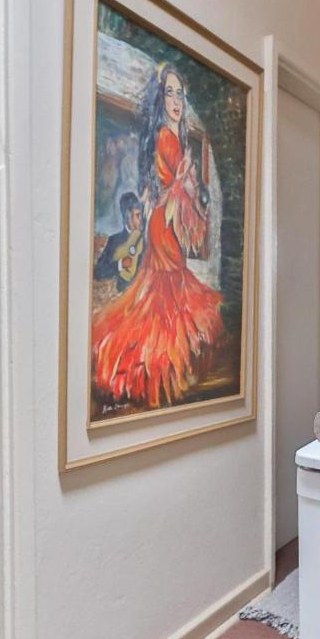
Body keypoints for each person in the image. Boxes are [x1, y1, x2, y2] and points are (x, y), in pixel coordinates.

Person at [90, 62, 223, 411]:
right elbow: (177, 191)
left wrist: (185, 187)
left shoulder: (171, 137)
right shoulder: (167, 137)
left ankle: (162, 367)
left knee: (164, 295)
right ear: (160, 99)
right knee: (165, 296)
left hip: (165, 224)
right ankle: (155, 368)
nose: (176, 101)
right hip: (165, 226)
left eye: (180, 94)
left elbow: (170, 190)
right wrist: (187, 186)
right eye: (169, 93)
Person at [94, 192, 145, 291]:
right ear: (128, 215)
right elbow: (98, 271)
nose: (141, 219)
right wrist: (120, 264)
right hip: (122, 292)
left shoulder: (145, 240)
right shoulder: (114, 241)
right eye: (138, 215)